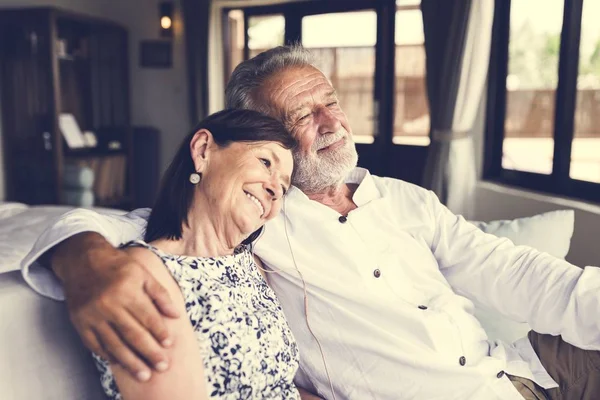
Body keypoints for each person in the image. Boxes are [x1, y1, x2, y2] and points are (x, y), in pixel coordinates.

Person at [22, 45, 600, 400]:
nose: (331, 122)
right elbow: (102, 226)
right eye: (303, 114)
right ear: (259, 135)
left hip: (525, 364)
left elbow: (514, 270)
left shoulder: (404, 200)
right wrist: (86, 261)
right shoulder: (255, 216)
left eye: (330, 101)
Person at [82, 108, 302, 399]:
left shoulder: (249, 264)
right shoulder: (144, 277)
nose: (275, 189)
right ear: (202, 150)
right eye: (265, 162)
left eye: (284, 187)